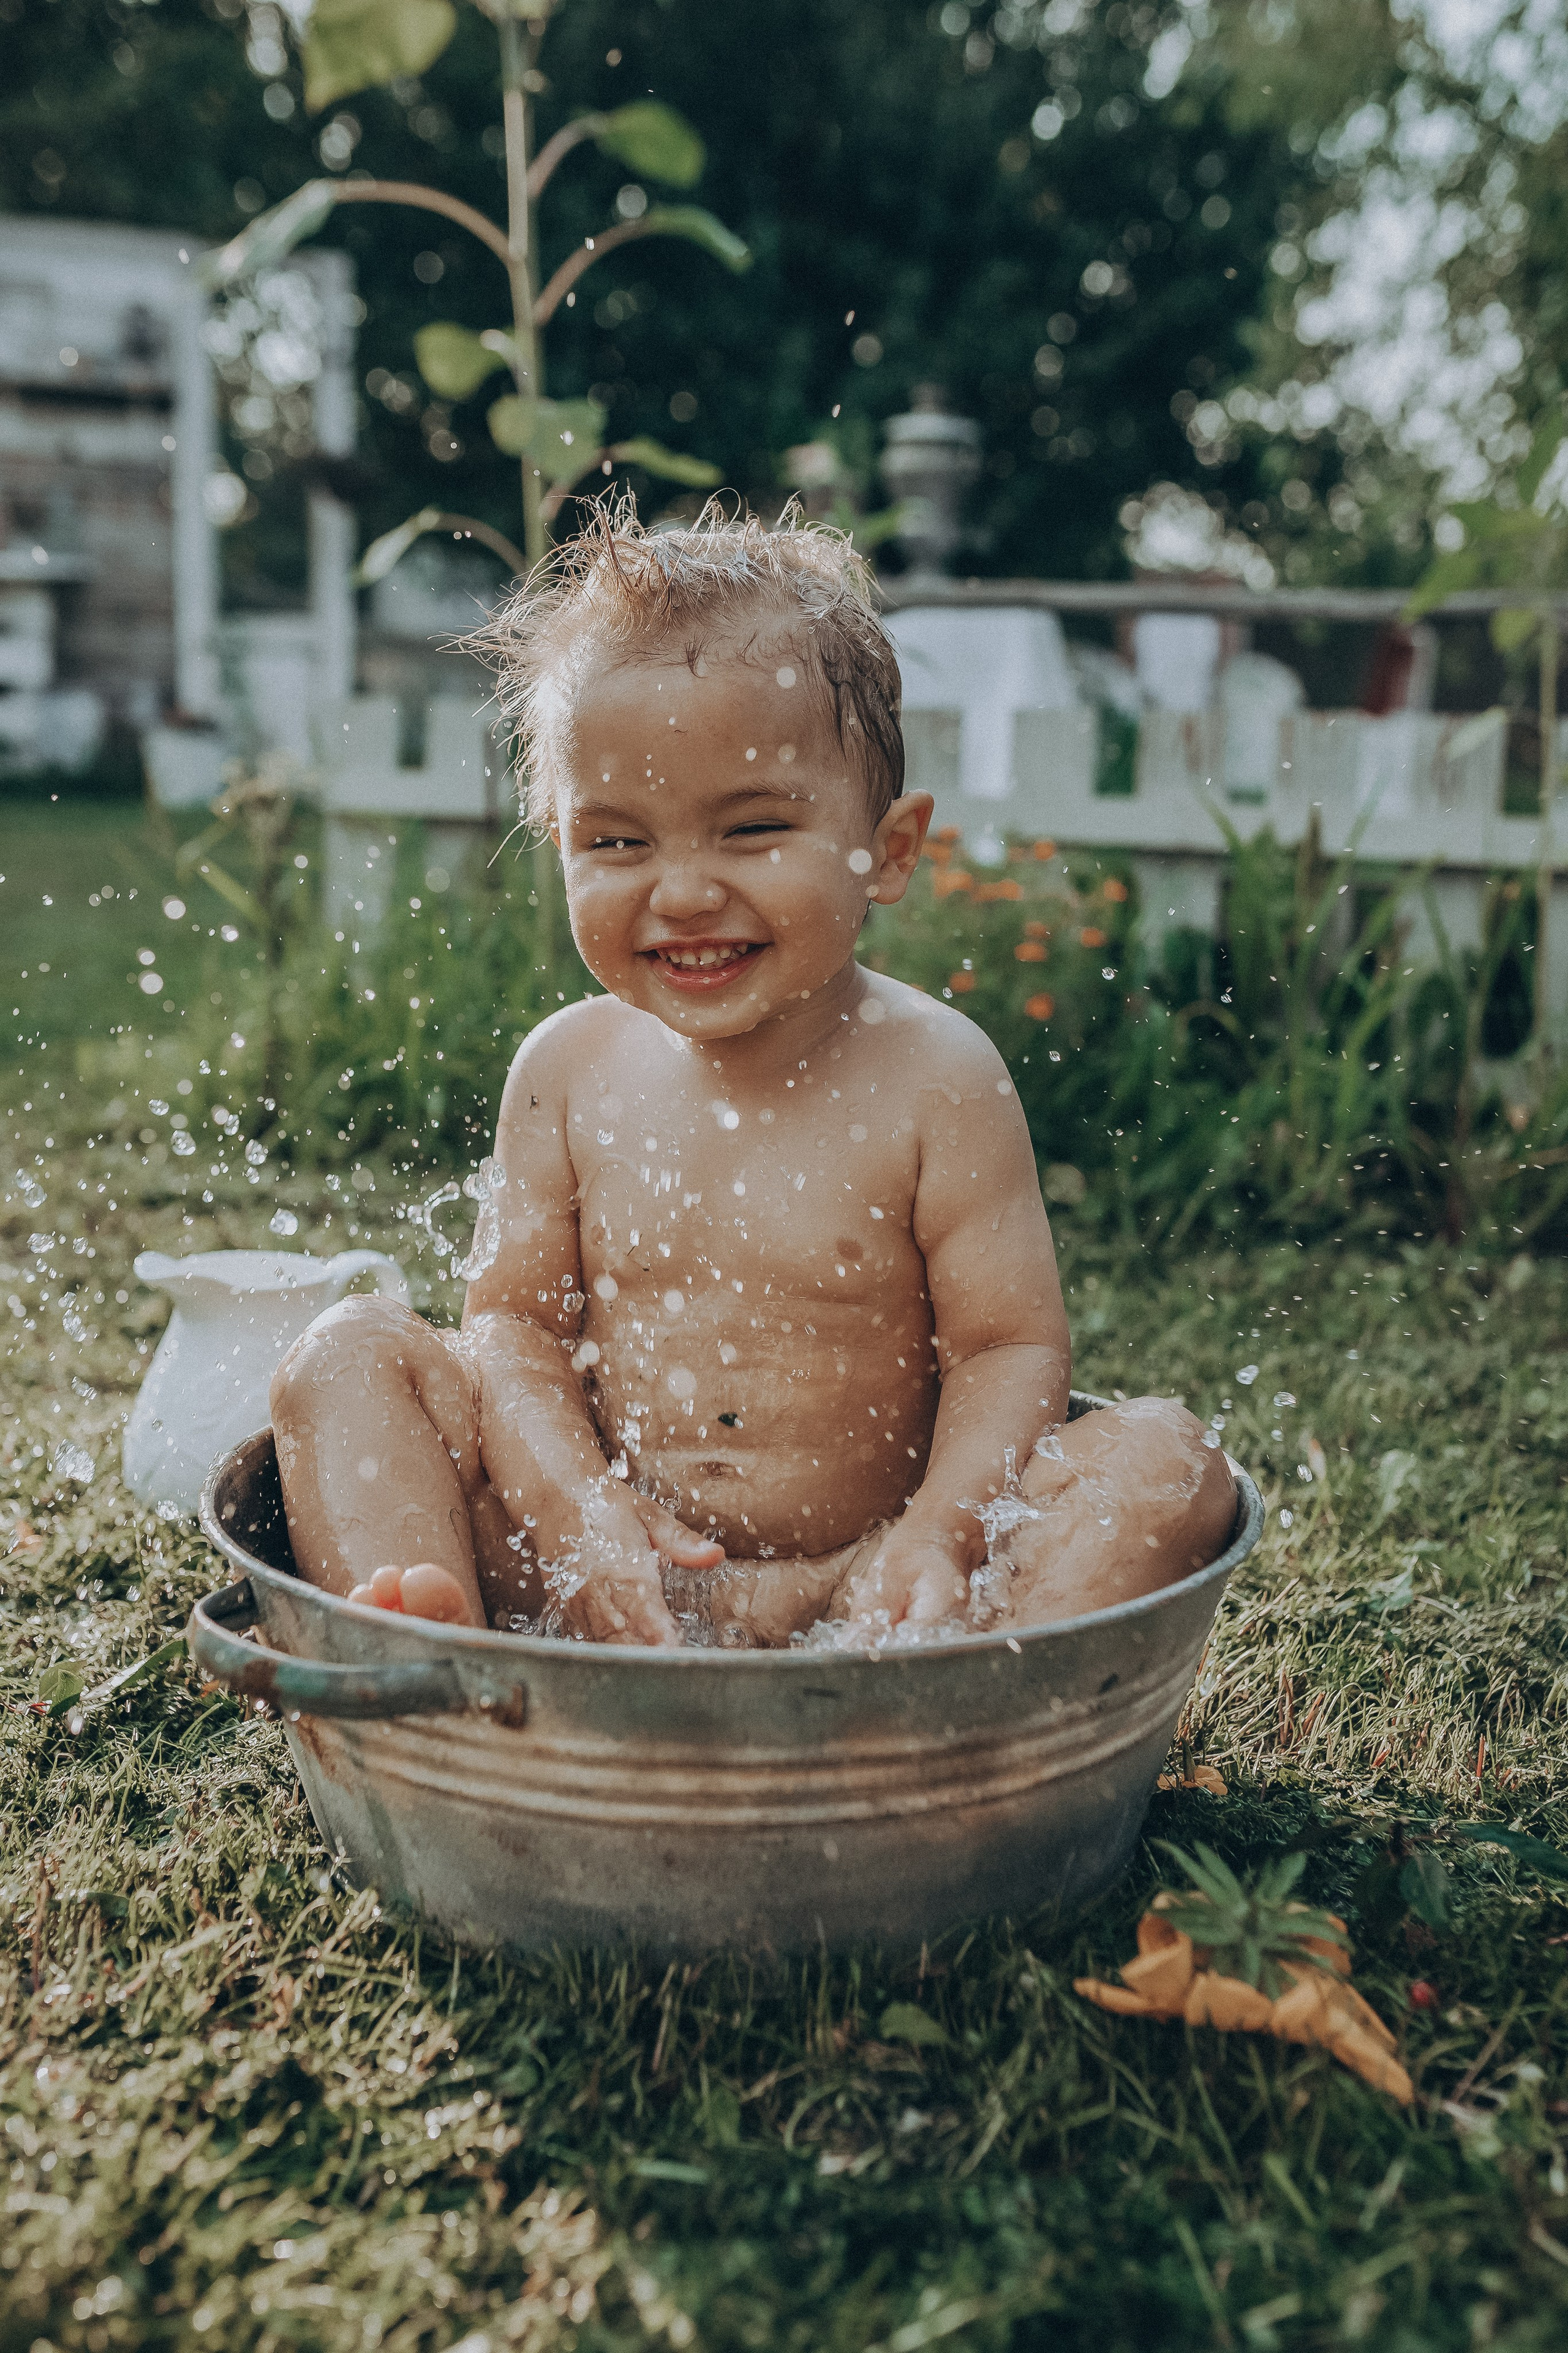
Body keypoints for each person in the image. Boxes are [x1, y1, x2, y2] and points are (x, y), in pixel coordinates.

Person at [270, 504, 1235, 1647]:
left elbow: (1007, 1350)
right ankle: (427, 1639)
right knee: (347, 1351)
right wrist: (577, 1511)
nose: (681, 891)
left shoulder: (937, 1079)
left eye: (751, 830)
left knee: (1171, 1463)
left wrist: (943, 1533)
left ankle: (953, 1700)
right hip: (588, 1568)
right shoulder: (569, 1071)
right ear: (558, 838)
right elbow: (516, 1332)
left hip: (870, 1582)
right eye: (618, 841)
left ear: (889, 849)